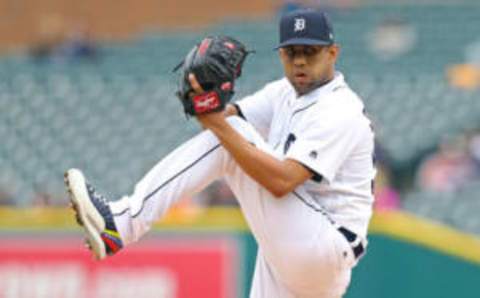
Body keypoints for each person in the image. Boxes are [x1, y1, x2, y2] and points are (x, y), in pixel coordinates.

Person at [65, 9, 376, 298]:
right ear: (281, 54)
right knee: (229, 135)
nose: (300, 61)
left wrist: (212, 118)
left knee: (230, 138)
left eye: (310, 51)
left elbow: (282, 180)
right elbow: (223, 122)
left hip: (325, 245)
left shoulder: (340, 108)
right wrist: (203, 98)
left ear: (332, 53)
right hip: (297, 248)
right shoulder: (283, 92)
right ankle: (120, 224)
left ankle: (121, 222)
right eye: (292, 52)